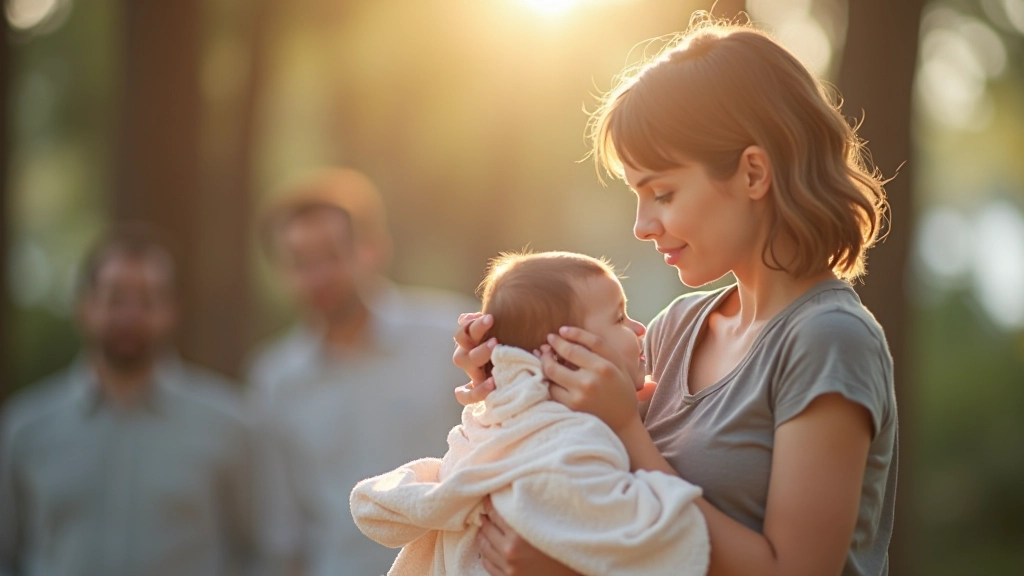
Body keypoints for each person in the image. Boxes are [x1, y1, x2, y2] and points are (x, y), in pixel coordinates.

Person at [453, 15, 897, 576]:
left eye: (662, 193)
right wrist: (508, 375)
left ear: (753, 174)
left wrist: (625, 442)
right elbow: (577, 457)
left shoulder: (829, 340)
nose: (642, 225)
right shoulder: (674, 328)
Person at [350, 251, 709, 576]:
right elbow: (667, 543)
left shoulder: (500, 421)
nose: (640, 328)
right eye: (619, 317)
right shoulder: (571, 446)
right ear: (566, 354)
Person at [247, 168, 471, 576]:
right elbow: (284, 532)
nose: (317, 276)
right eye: (299, 262)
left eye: (330, 256)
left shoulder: (449, 340)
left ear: (371, 249)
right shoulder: (275, 380)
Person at [0, 228, 258, 576]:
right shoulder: (24, 429)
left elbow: (258, 552)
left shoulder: (230, 425)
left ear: (172, 311)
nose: (130, 316)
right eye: (115, 299)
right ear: (85, 306)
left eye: (148, 300)